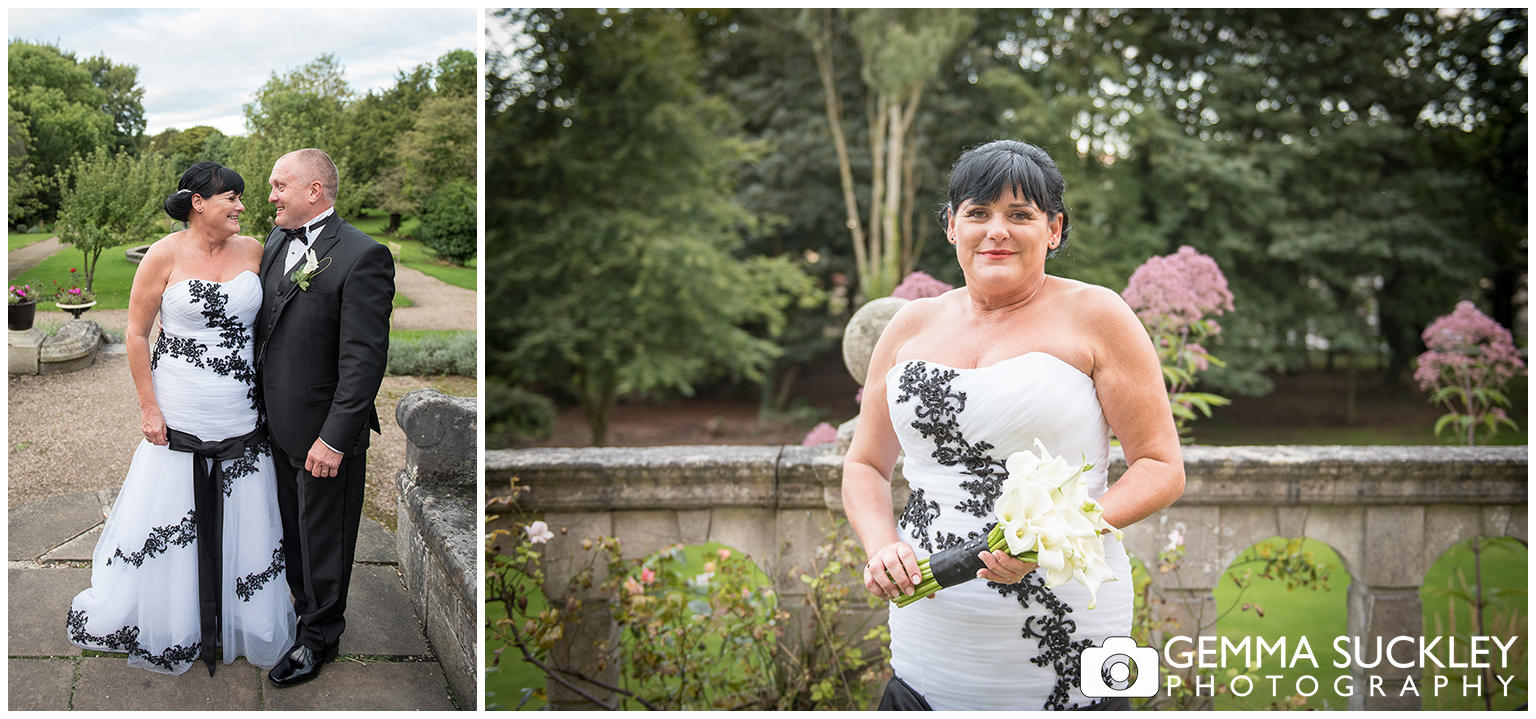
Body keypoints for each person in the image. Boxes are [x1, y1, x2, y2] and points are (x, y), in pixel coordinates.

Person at [842, 140, 1185, 710]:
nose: (996, 230)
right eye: (978, 213)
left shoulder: (1098, 316)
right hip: (932, 623)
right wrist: (881, 546)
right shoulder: (908, 325)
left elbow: (1161, 466)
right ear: (953, 226)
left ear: (1053, 229)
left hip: (1068, 617)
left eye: (1020, 215)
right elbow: (865, 464)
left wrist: (1055, 537)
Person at [68, 161, 297, 676]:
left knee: (249, 518)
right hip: (178, 411)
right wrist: (149, 407)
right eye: (232, 198)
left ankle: (249, 617)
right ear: (199, 203)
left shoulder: (257, 251)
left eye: (242, 198)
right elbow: (134, 334)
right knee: (171, 518)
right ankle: (172, 623)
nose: (242, 206)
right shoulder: (163, 255)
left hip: (240, 409)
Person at [256, 148, 394, 688]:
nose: (270, 196)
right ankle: (301, 612)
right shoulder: (274, 244)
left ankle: (320, 639)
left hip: (322, 432)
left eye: (278, 185)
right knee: (292, 530)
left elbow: (363, 361)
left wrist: (334, 439)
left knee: (325, 538)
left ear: (314, 191)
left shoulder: (364, 255)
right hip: (274, 423)